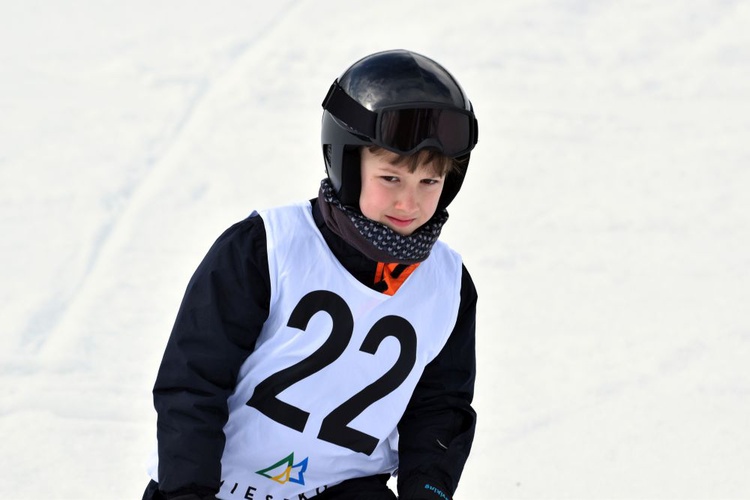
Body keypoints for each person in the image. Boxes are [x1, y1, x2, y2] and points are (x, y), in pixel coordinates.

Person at [143, 49, 479, 500]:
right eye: (390, 178)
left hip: (342, 488)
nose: (410, 204)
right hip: (213, 485)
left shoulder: (448, 287)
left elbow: (439, 408)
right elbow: (193, 383)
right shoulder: (265, 248)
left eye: (429, 183)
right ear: (346, 164)